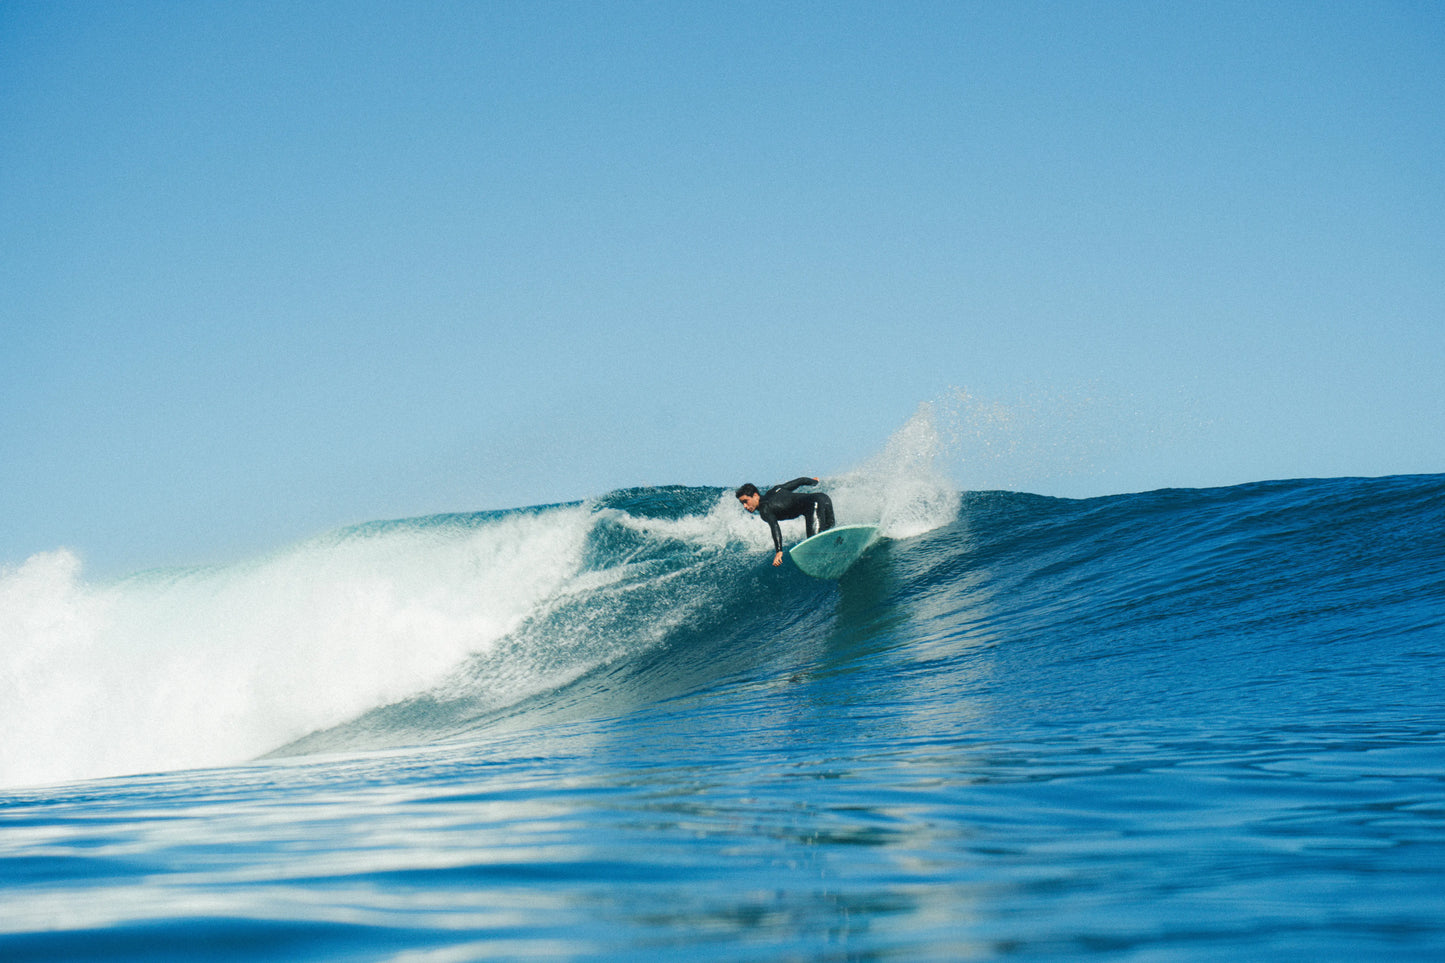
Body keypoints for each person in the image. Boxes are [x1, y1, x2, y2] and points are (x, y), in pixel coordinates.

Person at [736, 477, 835, 567]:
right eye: (742, 503)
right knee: (830, 535)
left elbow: (774, 526)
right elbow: (800, 481)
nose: (745, 506)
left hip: (814, 505)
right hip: (824, 498)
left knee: (815, 545)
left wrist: (779, 551)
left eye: (746, 501)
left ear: (755, 495)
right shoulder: (775, 490)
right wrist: (814, 481)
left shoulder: (764, 509)